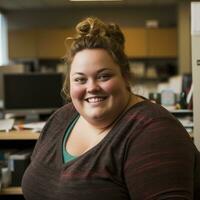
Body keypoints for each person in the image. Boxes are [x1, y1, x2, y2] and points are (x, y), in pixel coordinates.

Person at [22, 17, 200, 200]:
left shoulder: (155, 132)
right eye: (80, 79)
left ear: (125, 77)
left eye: (103, 76)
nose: (91, 87)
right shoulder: (61, 118)